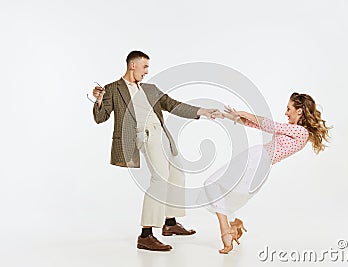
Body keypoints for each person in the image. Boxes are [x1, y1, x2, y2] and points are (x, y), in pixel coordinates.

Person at [92, 50, 220, 251]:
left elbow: (172, 104)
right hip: (144, 136)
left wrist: (201, 111)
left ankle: (169, 224)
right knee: (160, 178)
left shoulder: (150, 89)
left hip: (162, 134)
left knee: (177, 175)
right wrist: (99, 100)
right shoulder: (113, 89)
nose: (146, 72)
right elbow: (101, 118)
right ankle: (146, 234)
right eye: (144, 67)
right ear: (132, 65)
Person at [206, 92, 331, 254]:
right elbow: (256, 125)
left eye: (289, 108)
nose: (286, 112)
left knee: (216, 187)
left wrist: (244, 113)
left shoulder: (302, 132)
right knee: (216, 187)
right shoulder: (294, 129)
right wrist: (227, 116)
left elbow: (270, 125)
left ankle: (227, 230)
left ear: (299, 111)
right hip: (258, 160)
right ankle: (232, 223)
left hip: (259, 161)